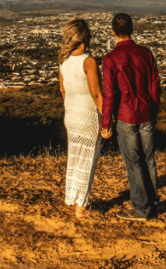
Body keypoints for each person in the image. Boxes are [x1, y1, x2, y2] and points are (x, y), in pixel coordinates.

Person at [101, 13, 161, 220]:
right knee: (149, 159)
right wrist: (154, 111)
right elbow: (155, 86)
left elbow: (109, 94)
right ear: (132, 30)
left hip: (125, 115)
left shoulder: (110, 59)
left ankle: (140, 208)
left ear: (112, 32)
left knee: (133, 162)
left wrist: (105, 123)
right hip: (146, 112)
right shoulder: (145, 53)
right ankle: (152, 203)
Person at [58, 18, 103, 219]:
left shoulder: (63, 61)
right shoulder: (89, 61)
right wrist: (107, 120)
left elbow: (62, 90)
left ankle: (73, 197)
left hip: (71, 115)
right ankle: (81, 206)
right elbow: (96, 94)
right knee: (88, 161)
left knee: (75, 159)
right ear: (85, 38)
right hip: (88, 117)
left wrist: (71, 108)